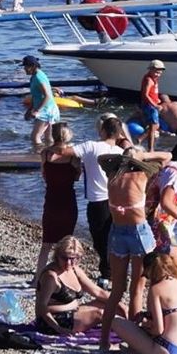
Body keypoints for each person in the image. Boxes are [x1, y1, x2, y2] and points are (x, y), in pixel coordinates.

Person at [98, 150, 156, 350]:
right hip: (138, 232)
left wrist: (125, 158)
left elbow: (102, 159)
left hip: (117, 232)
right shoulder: (142, 175)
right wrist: (144, 156)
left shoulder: (112, 177)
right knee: (137, 289)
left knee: (117, 290)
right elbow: (166, 157)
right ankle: (134, 339)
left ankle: (104, 340)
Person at [107, 250, 177, 354]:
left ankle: (139, 351)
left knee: (116, 322)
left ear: (150, 272)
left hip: (168, 350)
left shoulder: (156, 289)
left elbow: (158, 330)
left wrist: (145, 326)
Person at [70, 114, 131, 278]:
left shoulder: (91, 146)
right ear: (119, 134)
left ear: (102, 131)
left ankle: (108, 273)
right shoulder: (121, 152)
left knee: (99, 238)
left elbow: (66, 151)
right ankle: (112, 271)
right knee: (111, 237)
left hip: (98, 200)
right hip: (117, 200)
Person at [34, 238, 110, 335]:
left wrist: (120, 304)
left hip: (70, 312)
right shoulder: (51, 277)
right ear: (57, 256)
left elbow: (98, 292)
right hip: (52, 321)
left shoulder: (74, 270)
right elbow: (41, 307)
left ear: (79, 258)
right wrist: (58, 329)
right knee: (100, 314)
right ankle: (109, 341)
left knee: (108, 305)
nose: (68, 263)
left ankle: (130, 327)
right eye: (65, 258)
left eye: (73, 259)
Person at [37, 122, 80, 278]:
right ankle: (68, 275)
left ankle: (37, 278)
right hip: (68, 201)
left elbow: (44, 174)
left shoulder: (45, 154)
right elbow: (77, 177)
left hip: (51, 200)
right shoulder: (73, 157)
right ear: (68, 135)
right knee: (68, 242)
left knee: (46, 243)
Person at [22, 55, 60, 150]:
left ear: (33, 66)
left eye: (26, 66)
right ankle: (50, 155)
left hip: (46, 110)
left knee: (35, 137)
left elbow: (47, 95)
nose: (24, 69)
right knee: (48, 138)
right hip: (47, 109)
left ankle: (38, 156)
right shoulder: (35, 76)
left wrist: (37, 111)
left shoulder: (38, 77)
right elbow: (36, 96)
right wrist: (30, 109)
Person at [139, 59, 165, 151]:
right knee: (153, 128)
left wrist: (157, 99)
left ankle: (140, 139)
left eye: (160, 73)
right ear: (151, 70)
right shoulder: (149, 80)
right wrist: (155, 105)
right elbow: (145, 94)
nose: (158, 74)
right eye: (156, 72)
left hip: (152, 104)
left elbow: (152, 92)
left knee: (156, 126)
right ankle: (151, 149)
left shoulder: (154, 79)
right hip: (150, 106)